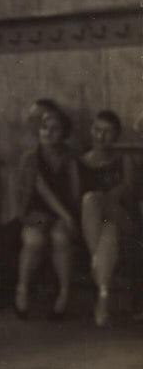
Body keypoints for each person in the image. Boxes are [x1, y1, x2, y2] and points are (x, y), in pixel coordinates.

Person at [14, 102, 82, 320]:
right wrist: (65, 216)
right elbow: (41, 192)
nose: (48, 132)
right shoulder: (30, 157)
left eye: (55, 129)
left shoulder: (71, 156)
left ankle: (64, 294)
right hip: (36, 211)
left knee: (61, 237)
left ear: (64, 134)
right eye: (44, 127)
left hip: (65, 212)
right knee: (34, 241)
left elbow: (76, 192)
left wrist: (70, 218)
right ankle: (22, 289)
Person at [79, 110, 136, 327]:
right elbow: (76, 202)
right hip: (98, 226)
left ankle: (95, 265)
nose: (100, 136)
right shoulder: (81, 161)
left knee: (92, 200)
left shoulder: (124, 159)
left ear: (117, 135)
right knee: (108, 230)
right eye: (96, 130)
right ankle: (103, 298)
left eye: (107, 131)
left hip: (126, 220)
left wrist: (108, 199)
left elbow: (130, 199)